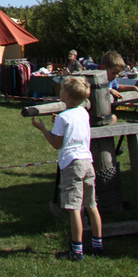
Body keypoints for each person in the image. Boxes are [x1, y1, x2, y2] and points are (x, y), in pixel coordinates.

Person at [32, 74, 103, 260]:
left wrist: (43, 129)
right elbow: (73, 130)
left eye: (62, 89)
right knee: (91, 205)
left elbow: (56, 143)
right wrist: (59, 122)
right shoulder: (83, 113)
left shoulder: (64, 117)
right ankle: (97, 244)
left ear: (68, 96)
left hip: (72, 164)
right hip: (88, 161)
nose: (60, 92)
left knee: (74, 209)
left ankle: (76, 250)